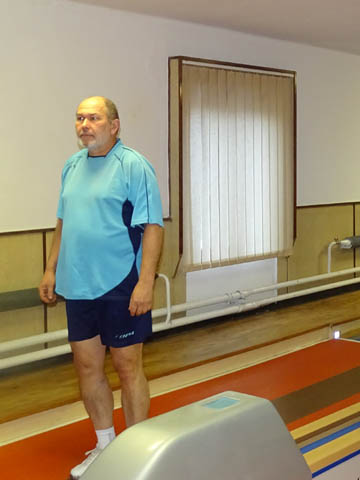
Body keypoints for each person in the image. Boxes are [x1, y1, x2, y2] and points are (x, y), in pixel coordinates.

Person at [38, 96, 164, 479]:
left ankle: (137, 453)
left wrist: (145, 283)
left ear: (114, 125)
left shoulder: (134, 166)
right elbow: (64, 221)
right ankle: (106, 446)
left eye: (93, 117)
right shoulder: (72, 166)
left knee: (127, 367)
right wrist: (51, 269)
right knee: (87, 367)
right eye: (80, 118)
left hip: (121, 283)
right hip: (78, 285)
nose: (85, 124)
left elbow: (153, 227)